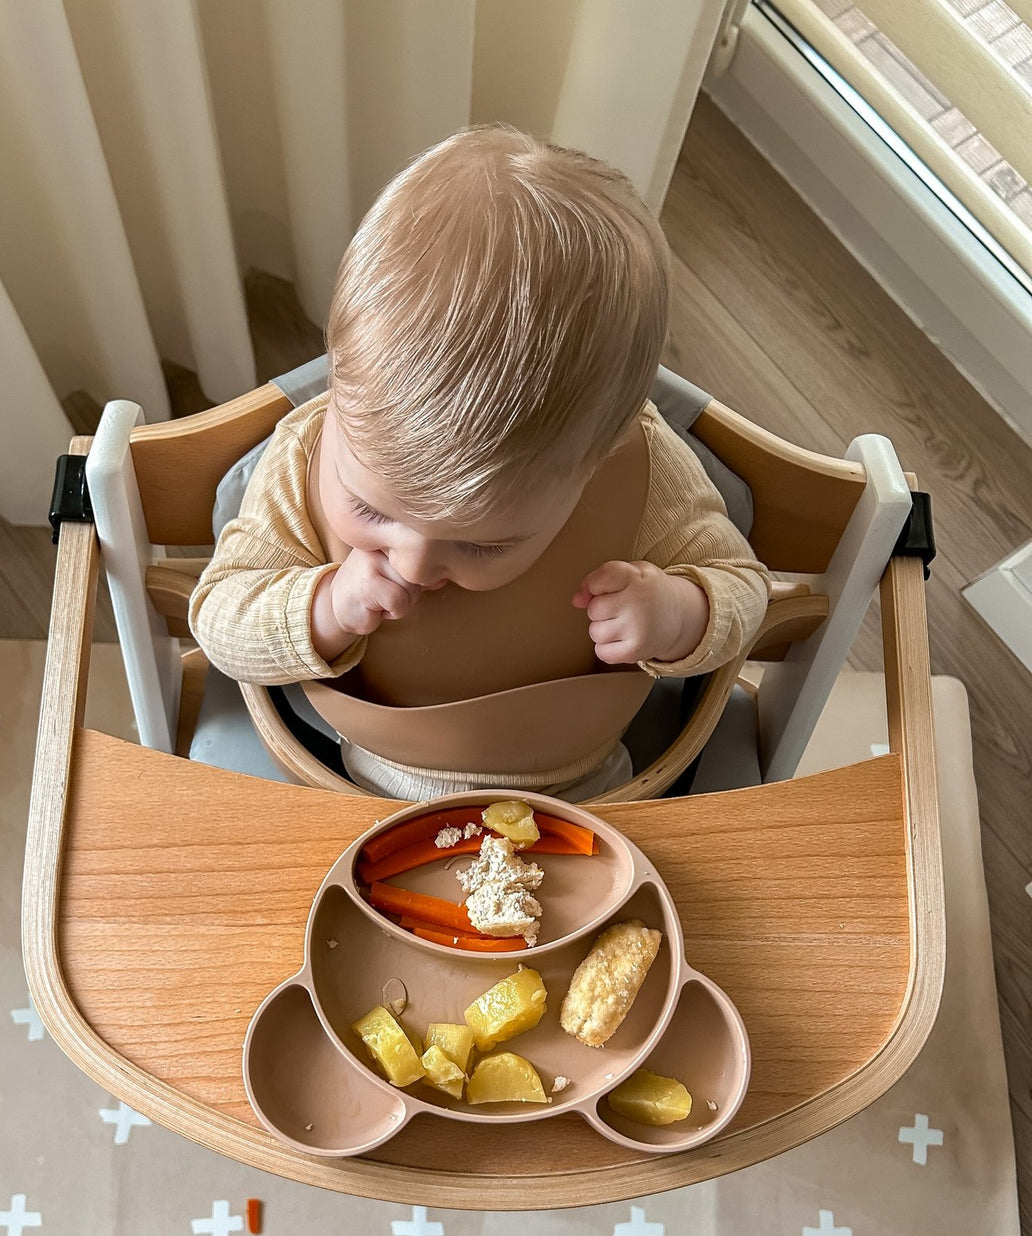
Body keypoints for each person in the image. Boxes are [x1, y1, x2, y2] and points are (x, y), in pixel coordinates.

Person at [190, 125, 769, 799]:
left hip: (593, 796)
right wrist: (325, 607)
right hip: (344, 783)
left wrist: (678, 612)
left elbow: (743, 588)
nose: (413, 566)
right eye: (372, 510)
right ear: (341, 386)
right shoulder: (305, 456)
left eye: (485, 544)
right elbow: (219, 619)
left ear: (595, 460)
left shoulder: (642, 472)